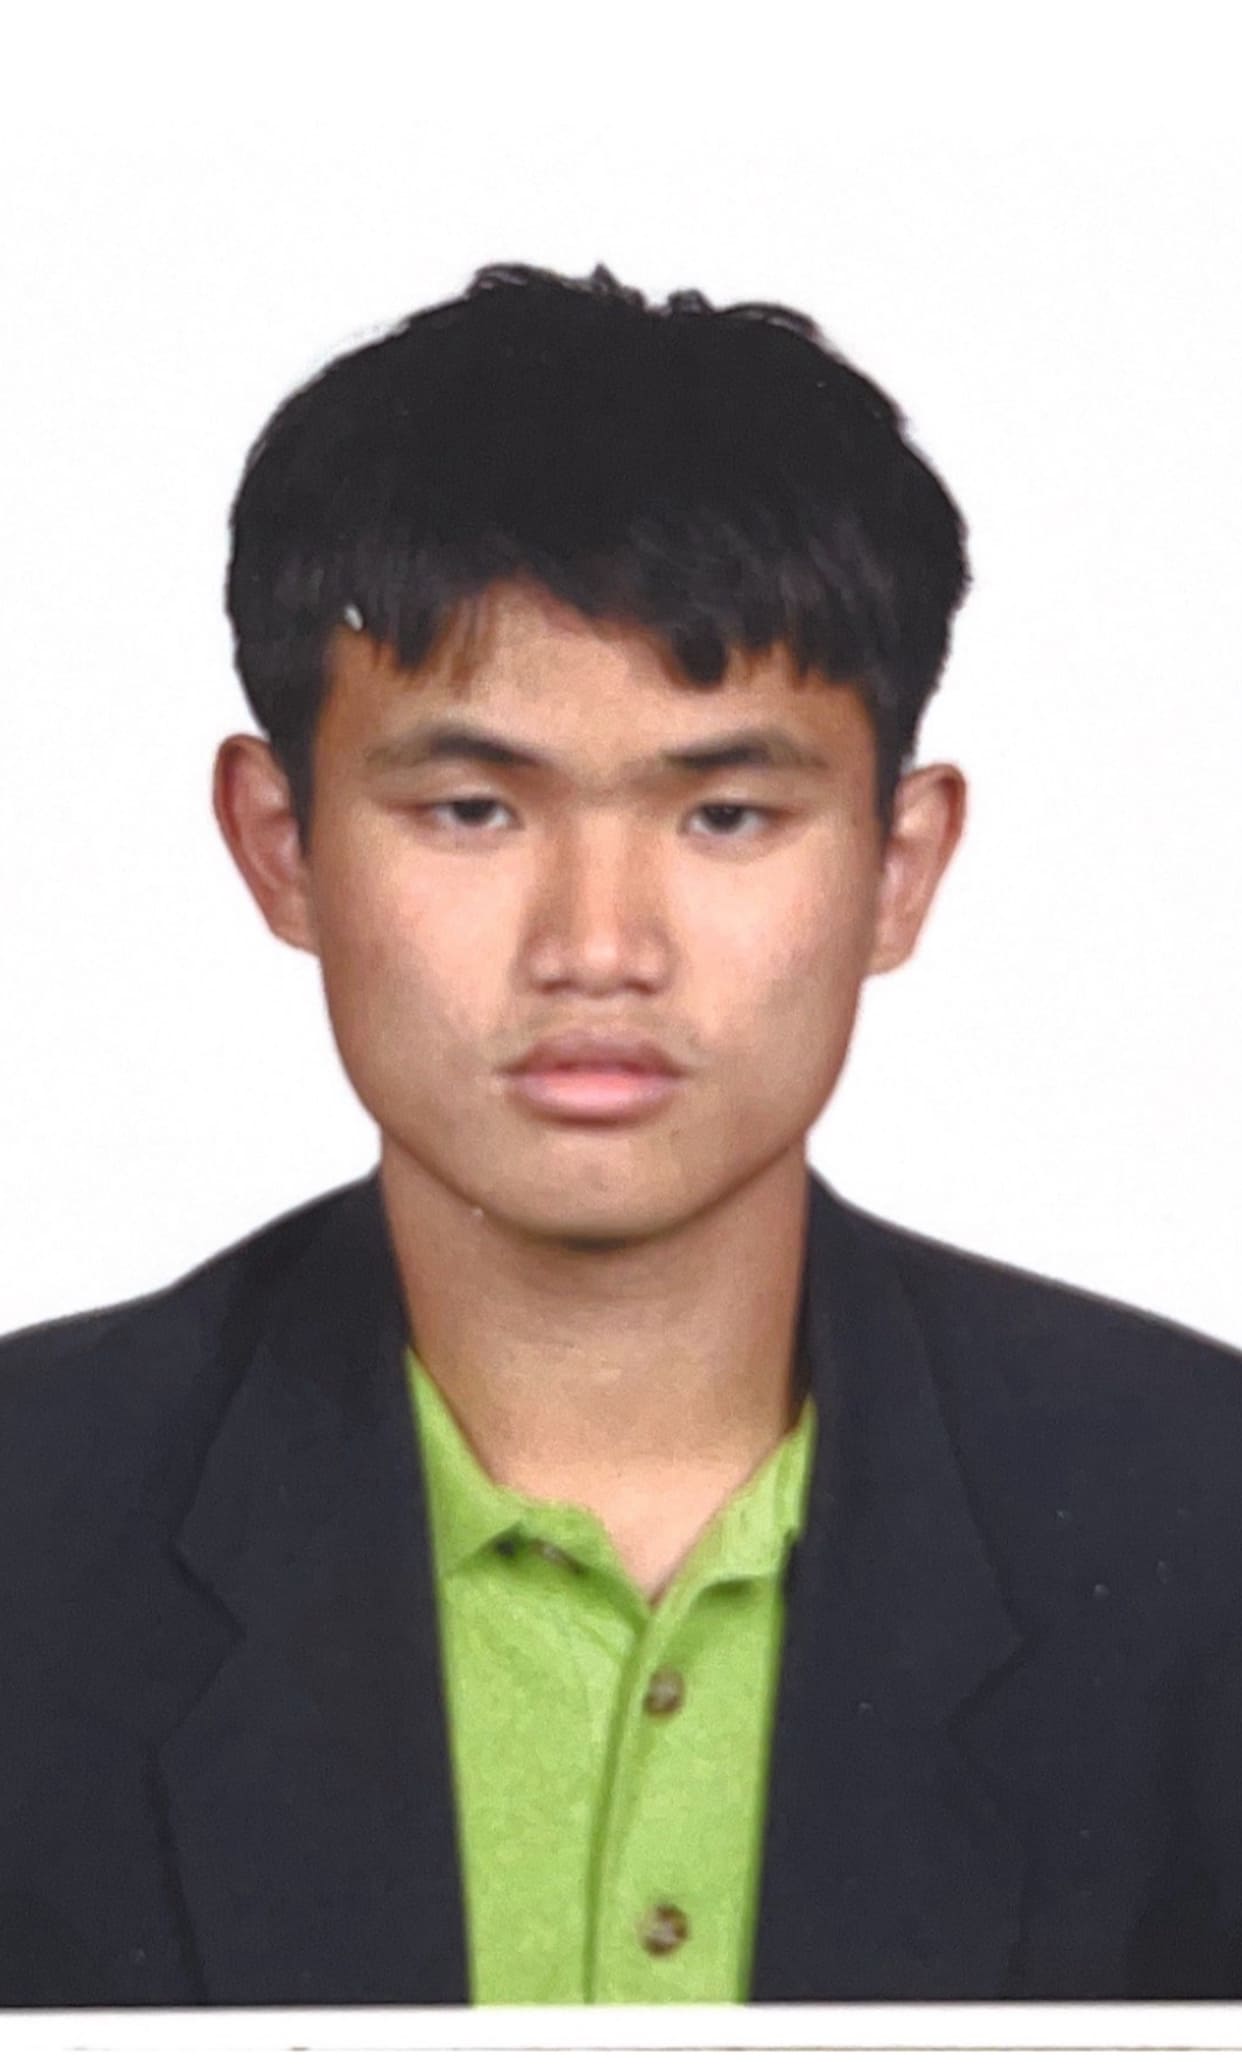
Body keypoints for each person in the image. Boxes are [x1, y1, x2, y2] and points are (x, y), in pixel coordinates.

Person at [2, 260, 1241, 2011]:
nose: (597, 945)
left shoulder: (1199, 1521)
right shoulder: (34, 1522)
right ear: (282, 847)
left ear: (897, 869)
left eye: (724, 813)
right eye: (471, 808)